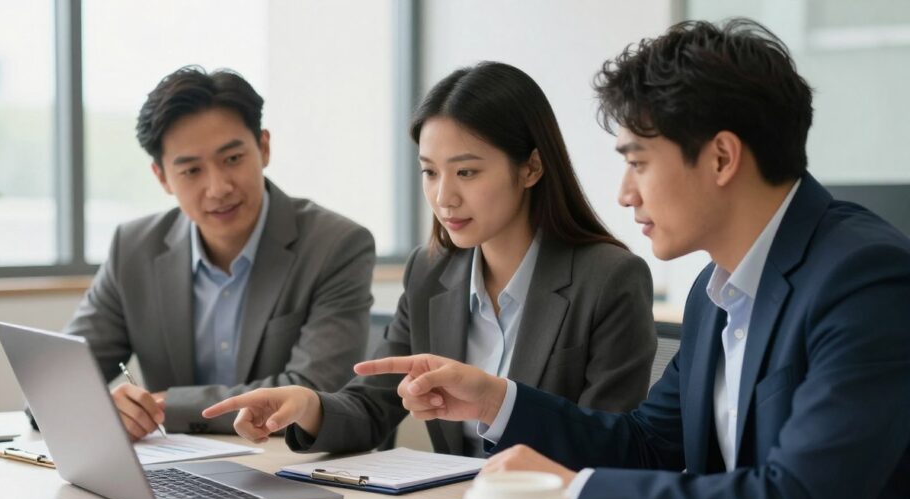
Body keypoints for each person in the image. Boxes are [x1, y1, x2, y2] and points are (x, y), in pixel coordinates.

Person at [353, 19, 910, 499]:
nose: (624, 193)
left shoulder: (863, 279)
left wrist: (574, 495)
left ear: (721, 158)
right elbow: (649, 447)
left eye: (637, 161)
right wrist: (497, 401)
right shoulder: (714, 292)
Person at [202, 62, 657, 457]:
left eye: (466, 172)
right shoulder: (430, 272)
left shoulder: (609, 279)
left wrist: (498, 404)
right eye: (429, 172)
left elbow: (612, 446)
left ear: (531, 168)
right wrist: (309, 407)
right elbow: (372, 406)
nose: (444, 197)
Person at [60, 66, 376, 440]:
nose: (218, 188)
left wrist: (162, 407)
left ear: (264, 148)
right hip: (175, 472)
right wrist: (106, 407)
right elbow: (57, 383)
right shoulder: (133, 248)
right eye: (192, 170)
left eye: (232, 159)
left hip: (288, 469)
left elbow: (310, 388)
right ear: (162, 178)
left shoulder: (336, 246)